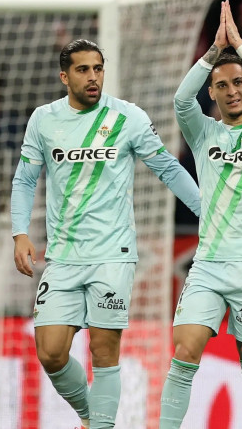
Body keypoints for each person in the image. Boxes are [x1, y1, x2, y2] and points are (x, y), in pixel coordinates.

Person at [10, 39, 201, 429]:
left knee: (103, 351)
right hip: (63, 256)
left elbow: (167, 168)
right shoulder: (44, 120)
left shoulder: (127, 117)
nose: (93, 77)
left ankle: (101, 426)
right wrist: (19, 232)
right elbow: (25, 179)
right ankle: (90, 416)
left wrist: (207, 214)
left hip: (113, 254)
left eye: (98, 68)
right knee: (50, 352)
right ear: (64, 77)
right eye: (83, 70)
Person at [159, 0, 242, 429]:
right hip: (209, 265)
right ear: (212, 93)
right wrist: (213, 53)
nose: (231, 90)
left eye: (238, 82)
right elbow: (181, 101)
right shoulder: (204, 134)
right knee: (184, 352)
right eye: (222, 85)